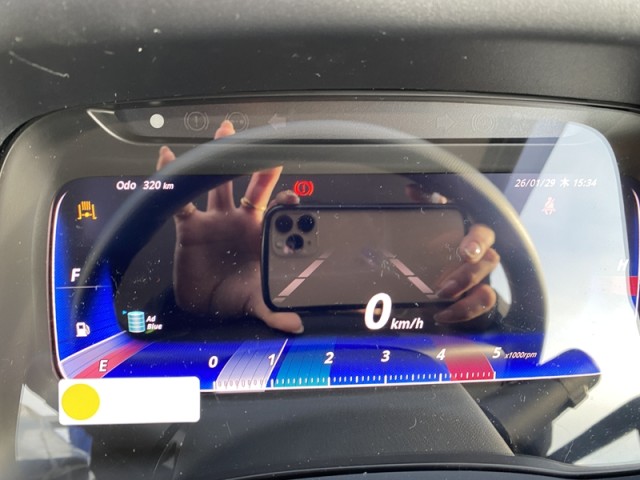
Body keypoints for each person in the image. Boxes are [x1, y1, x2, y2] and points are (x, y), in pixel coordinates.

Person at [157, 120, 500, 334]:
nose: (353, 232)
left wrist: (470, 311)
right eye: (331, 224)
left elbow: (495, 342)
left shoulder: (417, 289)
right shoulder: (265, 291)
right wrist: (207, 302)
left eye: (369, 220)